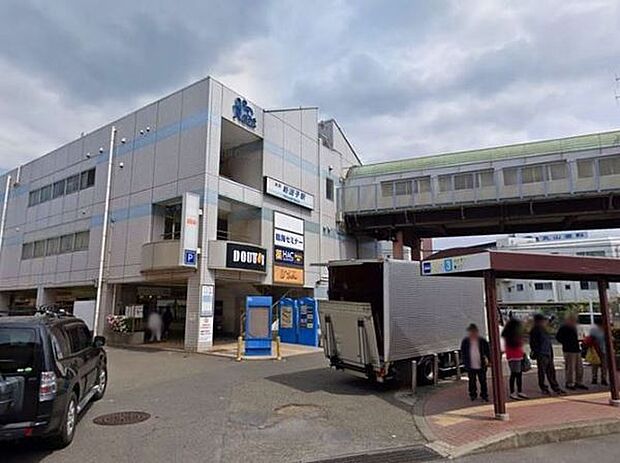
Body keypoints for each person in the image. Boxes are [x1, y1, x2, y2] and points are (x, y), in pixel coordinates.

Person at [530, 314, 564, 395]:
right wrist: (536, 351)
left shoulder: (543, 329)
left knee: (551, 371)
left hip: (548, 352)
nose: (544, 321)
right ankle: (544, 387)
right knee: (542, 372)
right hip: (542, 353)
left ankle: (555, 387)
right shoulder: (535, 330)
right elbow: (533, 343)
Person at [556, 314, 588, 390]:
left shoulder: (575, 327)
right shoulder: (564, 327)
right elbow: (558, 337)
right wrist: (566, 342)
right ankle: (569, 383)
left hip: (577, 349)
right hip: (568, 350)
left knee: (579, 367)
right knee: (570, 367)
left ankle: (579, 382)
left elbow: (580, 336)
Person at [460, 323, 490, 402]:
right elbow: (463, 352)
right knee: (472, 381)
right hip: (471, 365)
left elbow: (488, 351)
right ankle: (473, 394)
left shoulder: (482, 341)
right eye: (471, 332)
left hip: (481, 364)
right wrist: (465, 363)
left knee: (483, 381)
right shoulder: (465, 342)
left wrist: (489, 360)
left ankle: (484, 395)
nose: (472, 333)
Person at [502, 318, 529, 400]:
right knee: (515, 374)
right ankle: (513, 392)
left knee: (519, 374)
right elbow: (516, 343)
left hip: (518, 355)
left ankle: (519, 391)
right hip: (514, 356)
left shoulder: (512, 334)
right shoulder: (510, 334)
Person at [590, 319, 608, 386]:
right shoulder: (604, 329)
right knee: (603, 365)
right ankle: (603, 379)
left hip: (598, 349)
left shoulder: (594, 330)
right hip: (599, 349)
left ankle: (595, 378)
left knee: (596, 365)